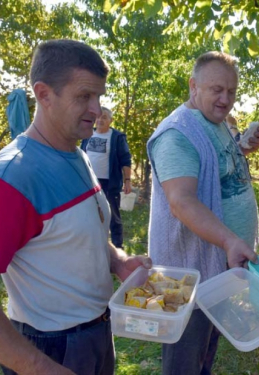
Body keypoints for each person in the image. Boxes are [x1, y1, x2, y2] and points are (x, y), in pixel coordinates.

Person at [0, 39, 151, 375]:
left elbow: (83, 233)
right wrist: (38, 366)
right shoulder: (13, 177)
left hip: (97, 333)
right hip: (50, 349)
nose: (97, 109)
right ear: (43, 94)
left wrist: (118, 261)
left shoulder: (77, 155)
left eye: (99, 96)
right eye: (84, 96)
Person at [147, 51, 259, 375]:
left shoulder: (215, 122)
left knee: (204, 356)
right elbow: (181, 201)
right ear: (193, 86)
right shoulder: (177, 135)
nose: (225, 99)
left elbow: (213, 167)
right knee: (185, 358)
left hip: (216, 271)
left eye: (231, 91)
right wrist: (229, 241)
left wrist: (242, 149)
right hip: (188, 277)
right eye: (216, 90)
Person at [81, 106, 132, 249]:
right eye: (98, 117)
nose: (100, 120)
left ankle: (117, 247)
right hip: (90, 182)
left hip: (110, 182)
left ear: (111, 120)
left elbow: (125, 160)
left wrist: (127, 181)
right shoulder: (87, 135)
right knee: (90, 213)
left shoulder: (116, 137)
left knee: (113, 215)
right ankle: (96, 245)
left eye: (104, 117)